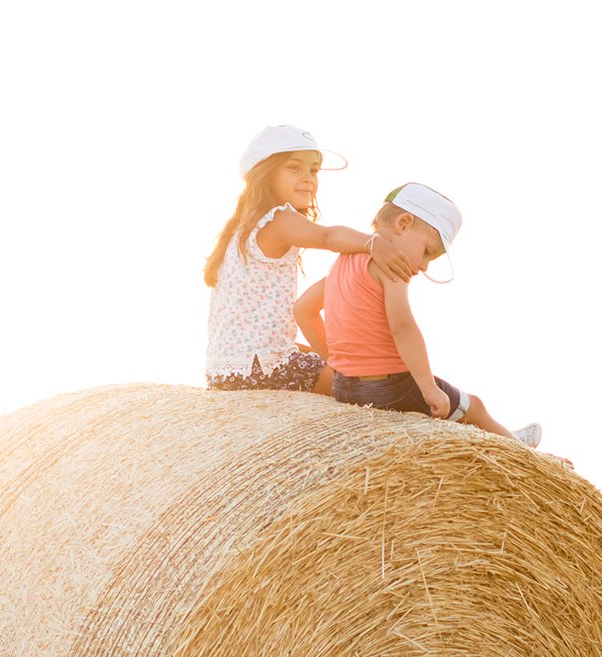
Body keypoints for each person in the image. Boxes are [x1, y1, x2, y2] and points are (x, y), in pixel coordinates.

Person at [296, 182, 542, 446]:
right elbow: (402, 329)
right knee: (475, 408)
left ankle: (510, 440)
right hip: (389, 389)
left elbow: (302, 310)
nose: (424, 265)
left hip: (345, 389)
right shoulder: (392, 265)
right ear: (403, 224)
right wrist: (428, 388)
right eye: (427, 252)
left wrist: (336, 363)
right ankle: (521, 450)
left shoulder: (340, 266)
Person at [204, 125, 405, 394]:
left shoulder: (238, 232)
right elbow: (329, 237)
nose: (308, 178)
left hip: (226, 372)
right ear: (265, 174)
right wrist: (373, 244)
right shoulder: (279, 219)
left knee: (326, 358)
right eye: (294, 168)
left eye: (314, 170)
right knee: (374, 387)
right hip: (264, 370)